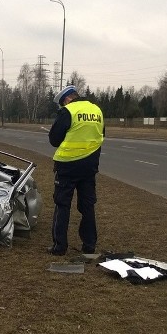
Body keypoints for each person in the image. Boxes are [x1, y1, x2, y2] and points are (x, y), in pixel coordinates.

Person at [47, 85, 105, 256]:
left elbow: (54, 140)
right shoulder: (97, 110)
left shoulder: (68, 111)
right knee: (87, 206)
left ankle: (59, 247)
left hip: (68, 166)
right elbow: (100, 135)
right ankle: (89, 245)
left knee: (62, 205)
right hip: (89, 167)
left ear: (66, 100)